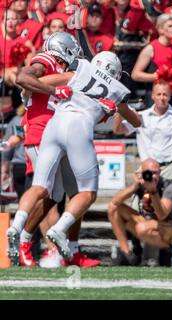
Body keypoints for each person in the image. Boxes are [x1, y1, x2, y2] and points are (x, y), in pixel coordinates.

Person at [9, 51, 141, 262]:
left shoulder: (80, 70)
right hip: (78, 128)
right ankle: (59, 230)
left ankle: (17, 226)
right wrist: (117, 106)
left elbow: (37, 83)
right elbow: (136, 122)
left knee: (40, 186)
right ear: (116, 73)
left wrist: (37, 96)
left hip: (54, 125)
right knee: (87, 193)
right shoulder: (116, 89)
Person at [7, 32, 85, 268]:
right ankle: (17, 230)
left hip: (56, 133)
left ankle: (25, 239)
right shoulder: (47, 59)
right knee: (43, 188)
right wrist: (53, 90)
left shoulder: (61, 69)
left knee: (56, 195)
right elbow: (23, 77)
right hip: (42, 132)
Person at [113, 81, 172, 183]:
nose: (162, 98)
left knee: (170, 197)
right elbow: (118, 130)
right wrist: (121, 110)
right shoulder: (141, 116)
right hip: (147, 169)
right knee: (138, 198)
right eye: (159, 94)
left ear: (170, 96)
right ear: (152, 96)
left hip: (171, 168)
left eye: (165, 94)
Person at [107, 159, 172, 266]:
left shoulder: (169, 186)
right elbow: (114, 203)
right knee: (114, 208)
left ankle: (166, 249)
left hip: (168, 227)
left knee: (141, 228)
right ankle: (127, 253)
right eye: (148, 173)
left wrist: (153, 191)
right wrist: (134, 186)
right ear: (142, 173)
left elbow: (162, 215)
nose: (152, 176)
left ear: (160, 172)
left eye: (155, 173)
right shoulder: (140, 185)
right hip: (145, 222)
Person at [131, 14, 172, 98]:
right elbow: (135, 75)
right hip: (154, 96)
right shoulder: (151, 48)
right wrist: (157, 76)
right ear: (160, 29)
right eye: (170, 26)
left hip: (171, 96)